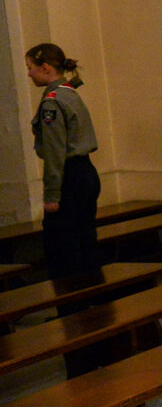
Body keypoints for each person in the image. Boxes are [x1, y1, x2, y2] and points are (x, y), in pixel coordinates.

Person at [26, 43, 101, 282]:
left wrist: (52, 195)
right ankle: (95, 297)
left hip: (69, 176)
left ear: (45, 68)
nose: (28, 73)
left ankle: (70, 302)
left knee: (62, 248)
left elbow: (55, 152)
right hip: (86, 172)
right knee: (85, 241)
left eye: (30, 67)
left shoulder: (52, 101)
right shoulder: (70, 93)